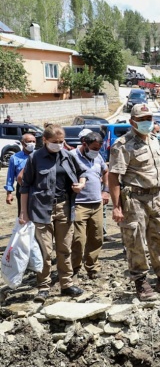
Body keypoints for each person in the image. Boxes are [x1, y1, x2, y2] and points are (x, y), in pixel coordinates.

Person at [109, 104, 160, 301]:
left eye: (149, 118)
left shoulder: (153, 140)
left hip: (155, 197)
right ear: (132, 121)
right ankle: (141, 282)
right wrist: (117, 206)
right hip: (134, 199)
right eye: (142, 119)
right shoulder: (122, 144)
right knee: (136, 241)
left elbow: (158, 165)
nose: (147, 122)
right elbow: (113, 177)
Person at [19, 124, 89, 302]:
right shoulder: (35, 158)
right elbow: (25, 185)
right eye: (54, 142)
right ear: (45, 140)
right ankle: (43, 287)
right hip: (41, 209)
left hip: (64, 208)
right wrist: (23, 212)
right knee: (44, 251)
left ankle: (66, 284)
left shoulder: (67, 156)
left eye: (61, 141)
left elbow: (83, 173)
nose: (58, 144)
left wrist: (81, 184)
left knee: (64, 248)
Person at [71, 132, 109, 280]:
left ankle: (92, 267)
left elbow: (105, 171)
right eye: (93, 148)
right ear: (84, 144)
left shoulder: (98, 156)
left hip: (96, 203)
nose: (96, 151)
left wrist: (105, 191)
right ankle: (73, 268)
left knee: (97, 237)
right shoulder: (71, 156)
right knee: (78, 240)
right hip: (79, 204)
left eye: (98, 149)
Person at [5, 133, 37, 216]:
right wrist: (9, 193)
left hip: (37, 187)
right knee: (23, 213)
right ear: (23, 143)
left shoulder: (38, 155)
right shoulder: (15, 157)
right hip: (22, 187)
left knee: (37, 213)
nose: (32, 143)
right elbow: (10, 176)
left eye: (34, 141)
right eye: (29, 141)